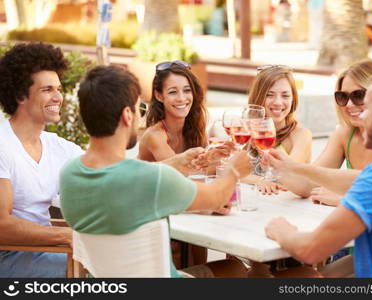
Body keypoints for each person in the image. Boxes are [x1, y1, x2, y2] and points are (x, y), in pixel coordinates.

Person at [59, 65, 251, 278]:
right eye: (138, 109)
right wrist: (234, 169)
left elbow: (130, 179)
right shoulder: (153, 180)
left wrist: (176, 161)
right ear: (127, 115)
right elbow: (218, 197)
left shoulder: (70, 175)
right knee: (237, 268)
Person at [265, 69, 372, 278]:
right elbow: (357, 179)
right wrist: (293, 168)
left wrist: (281, 231)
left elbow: (310, 250)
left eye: (367, 107)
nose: (359, 115)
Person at [0, 42, 82, 277]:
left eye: (58, 89)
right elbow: (1, 225)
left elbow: (111, 172)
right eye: (47, 90)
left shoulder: (58, 147)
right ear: (19, 95)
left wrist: (170, 167)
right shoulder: (2, 145)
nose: (58, 97)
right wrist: (67, 236)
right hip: (8, 259)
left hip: (44, 252)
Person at [271, 59, 372, 206]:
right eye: (343, 97)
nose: (349, 104)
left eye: (359, 95)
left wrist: (346, 199)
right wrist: (276, 167)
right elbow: (309, 183)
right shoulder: (345, 134)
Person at [139, 60, 230, 171]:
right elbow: (179, 175)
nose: (181, 98)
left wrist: (220, 157)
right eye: (173, 92)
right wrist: (225, 165)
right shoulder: (154, 136)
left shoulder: (196, 127)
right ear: (159, 96)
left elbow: (206, 168)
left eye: (187, 90)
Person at [244, 64, 312, 194]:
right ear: (258, 97)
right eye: (270, 95)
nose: (278, 102)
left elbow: (289, 172)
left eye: (285, 96)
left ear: (293, 99)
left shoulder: (301, 135)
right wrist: (259, 181)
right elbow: (232, 171)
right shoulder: (246, 131)